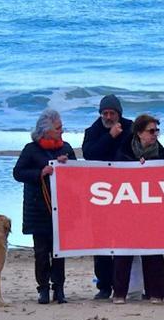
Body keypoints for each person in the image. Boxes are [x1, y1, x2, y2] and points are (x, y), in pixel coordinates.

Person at [12, 108, 76, 304]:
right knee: (41, 251)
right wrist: (41, 172)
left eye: (61, 128)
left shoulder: (65, 147)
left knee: (59, 251)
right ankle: (43, 289)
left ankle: (59, 289)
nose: (61, 132)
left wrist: (66, 164)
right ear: (46, 130)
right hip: (37, 208)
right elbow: (18, 173)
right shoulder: (31, 149)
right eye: (58, 128)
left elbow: (76, 174)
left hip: (60, 208)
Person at [111, 114, 164, 304]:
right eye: (150, 131)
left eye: (156, 131)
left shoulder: (162, 154)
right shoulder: (124, 151)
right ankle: (119, 293)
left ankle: (156, 293)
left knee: (153, 250)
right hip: (127, 208)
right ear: (139, 133)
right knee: (124, 251)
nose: (154, 135)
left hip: (152, 208)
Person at [81, 94, 133, 300]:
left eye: (112, 113)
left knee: (125, 239)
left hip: (126, 192)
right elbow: (89, 154)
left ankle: (126, 285)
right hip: (101, 194)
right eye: (105, 113)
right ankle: (104, 286)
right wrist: (109, 136)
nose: (109, 116)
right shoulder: (93, 131)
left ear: (119, 113)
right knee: (101, 240)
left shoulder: (130, 128)